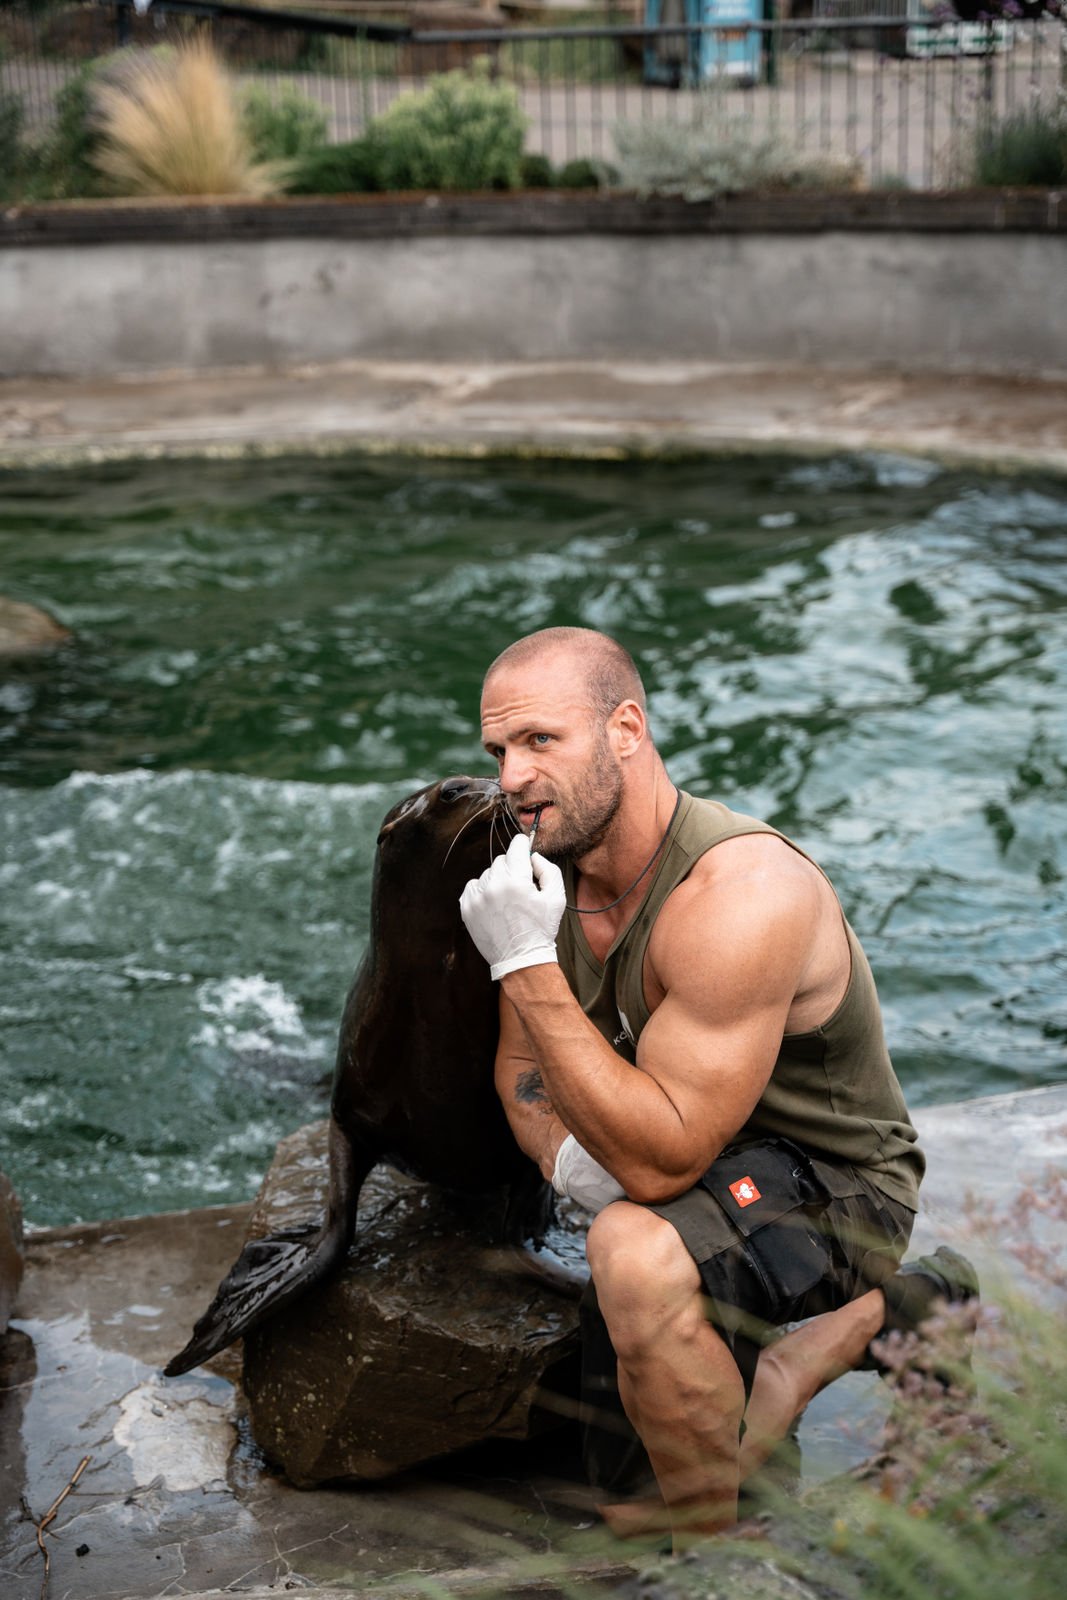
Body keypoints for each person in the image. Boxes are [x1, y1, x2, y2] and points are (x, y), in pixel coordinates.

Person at [458, 626, 977, 1550]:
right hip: (690, 1164)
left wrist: (525, 962)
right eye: (498, 750)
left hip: (837, 1183)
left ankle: (715, 1562)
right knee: (623, 1509)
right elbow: (519, 1069)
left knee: (632, 1247)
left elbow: (657, 1172)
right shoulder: (541, 874)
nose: (511, 778)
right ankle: (895, 1321)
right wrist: (575, 1163)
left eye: (541, 740)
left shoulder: (738, 894)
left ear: (625, 728)